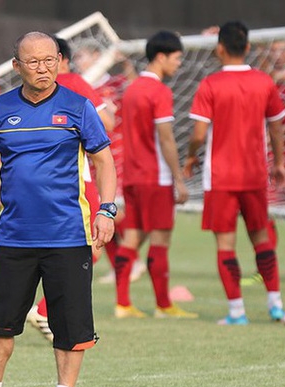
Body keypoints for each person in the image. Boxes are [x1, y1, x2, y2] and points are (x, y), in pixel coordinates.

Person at [0, 31, 116, 387]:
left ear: (60, 61)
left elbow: (104, 161)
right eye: (33, 61)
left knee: (70, 324)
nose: (43, 68)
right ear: (17, 67)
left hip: (69, 235)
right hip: (14, 237)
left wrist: (106, 210)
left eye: (50, 60)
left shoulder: (79, 107)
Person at [184, 21, 285, 325]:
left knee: (225, 244)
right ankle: (276, 306)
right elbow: (277, 125)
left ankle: (236, 312)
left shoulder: (211, 84)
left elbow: (199, 134)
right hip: (255, 174)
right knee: (261, 239)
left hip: (221, 177)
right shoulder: (264, 82)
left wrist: (191, 158)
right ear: (247, 48)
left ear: (219, 48)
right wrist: (279, 163)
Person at [25, 36, 114, 342]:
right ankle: (45, 310)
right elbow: (106, 122)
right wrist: (109, 110)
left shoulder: (27, 91)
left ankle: (47, 312)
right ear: (64, 58)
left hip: (34, 186)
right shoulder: (74, 81)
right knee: (88, 251)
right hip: (74, 182)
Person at [113, 31, 196, 320]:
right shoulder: (159, 91)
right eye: (177, 59)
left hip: (132, 176)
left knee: (132, 238)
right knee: (161, 240)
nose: (179, 65)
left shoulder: (132, 89)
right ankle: (163, 305)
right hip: (155, 176)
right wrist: (178, 178)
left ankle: (122, 303)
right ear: (161, 57)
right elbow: (166, 138)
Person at [73, 41, 147, 285]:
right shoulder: (79, 86)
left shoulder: (114, 83)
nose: (77, 61)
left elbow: (136, 91)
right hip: (89, 157)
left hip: (115, 154)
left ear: (97, 56)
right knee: (100, 212)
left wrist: (125, 62)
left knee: (115, 211)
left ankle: (131, 259)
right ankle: (120, 265)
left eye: (81, 55)